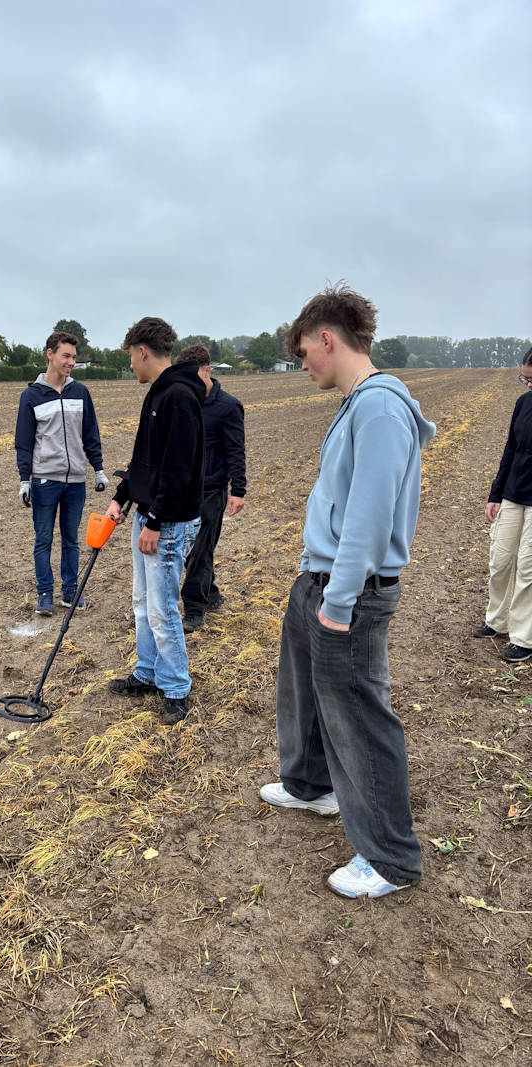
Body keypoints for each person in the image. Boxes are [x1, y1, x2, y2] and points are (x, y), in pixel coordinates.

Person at [258, 283, 436, 899]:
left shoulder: (380, 408)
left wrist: (337, 601)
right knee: (306, 693)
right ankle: (312, 785)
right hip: (321, 579)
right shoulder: (358, 404)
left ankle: (390, 858)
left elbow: (368, 515)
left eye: (305, 351)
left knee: (360, 716)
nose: (303, 363)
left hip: (349, 593)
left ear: (328, 339)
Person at [105, 317, 204, 726]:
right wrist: (122, 497)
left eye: (131, 356)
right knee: (142, 602)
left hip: (169, 522)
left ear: (142, 351)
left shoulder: (178, 396)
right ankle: (147, 672)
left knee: (162, 609)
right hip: (149, 516)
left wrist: (156, 521)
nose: (130, 365)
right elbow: (145, 460)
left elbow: (178, 469)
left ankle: (177, 687)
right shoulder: (158, 394)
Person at [15, 331, 109, 616]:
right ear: (50, 354)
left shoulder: (80, 392)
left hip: (76, 481)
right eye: (66, 356)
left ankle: (70, 593)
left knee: (71, 541)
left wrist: (98, 469)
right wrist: (24, 479)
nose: (71, 362)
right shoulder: (31, 396)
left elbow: (90, 433)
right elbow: (24, 441)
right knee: (43, 539)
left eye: (74, 358)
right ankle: (45, 595)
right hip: (45, 480)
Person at [173, 343, 246, 632]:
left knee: (200, 551)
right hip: (183, 490)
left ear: (207, 371)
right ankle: (211, 593)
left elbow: (236, 450)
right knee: (192, 549)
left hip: (212, 490)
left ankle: (194, 609)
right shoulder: (183, 403)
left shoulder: (228, 407)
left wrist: (238, 490)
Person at [472, 346, 532, 662]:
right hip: (513, 494)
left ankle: (524, 638)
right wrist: (495, 494)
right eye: (525, 379)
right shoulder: (523, 404)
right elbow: (511, 449)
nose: (528, 385)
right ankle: (497, 620)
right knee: (500, 560)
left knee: (528, 568)